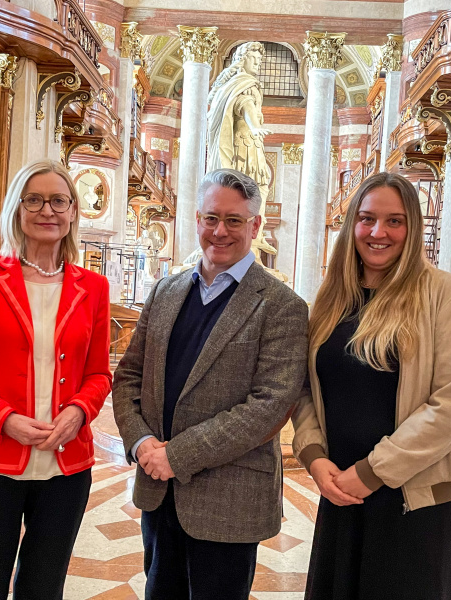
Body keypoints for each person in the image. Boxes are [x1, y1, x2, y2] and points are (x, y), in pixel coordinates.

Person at [112, 168, 308, 600]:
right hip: (158, 489)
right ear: (197, 219)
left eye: (234, 220)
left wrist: (177, 456)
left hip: (229, 498)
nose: (220, 231)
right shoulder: (166, 291)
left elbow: (270, 405)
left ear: (255, 226)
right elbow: (127, 376)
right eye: (211, 218)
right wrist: (142, 442)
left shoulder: (282, 306)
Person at [0, 159, 112, 600]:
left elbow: (99, 373)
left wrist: (79, 411)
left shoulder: (94, 287)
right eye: (34, 200)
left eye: (58, 201)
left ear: (72, 212)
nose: (47, 210)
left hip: (66, 464)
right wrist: (4, 419)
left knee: (44, 587)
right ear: (17, 208)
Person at [291, 171, 451, 600]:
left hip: (412, 498)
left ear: (412, 227)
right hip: (340, 491)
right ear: (351, 224)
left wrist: (372, 473)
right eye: (367, 218)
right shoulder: (332, 297)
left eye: (394, 220)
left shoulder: (444, 294)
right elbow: (305, 389)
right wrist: (315, 458)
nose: (379, 232)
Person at [207, 41, 276, 256]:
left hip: (250, 143)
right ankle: (251, 238)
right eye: (253, 59)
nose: (257, 64)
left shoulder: (242, 83)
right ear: (241, 60)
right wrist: (256, 127)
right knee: (249, 191)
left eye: (259, 60)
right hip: (244, 145)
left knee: (255, 190)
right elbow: (244, 105)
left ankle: (256, 235)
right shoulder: (244, 84)